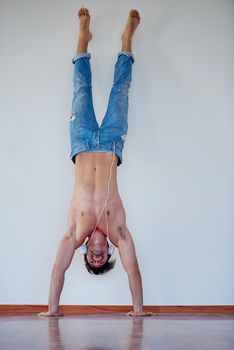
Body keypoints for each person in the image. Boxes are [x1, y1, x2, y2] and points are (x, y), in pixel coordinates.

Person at [38, 8, 153, 317]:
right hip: (112, 143)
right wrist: (138, 310)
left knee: (80, 88)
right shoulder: (118, 230)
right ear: (108, 251)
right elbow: (133, 270)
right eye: (104, 258)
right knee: (121, 92)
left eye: (94, 258)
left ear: (87, 251)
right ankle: (127, 40)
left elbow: (57, 271)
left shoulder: (75, 232)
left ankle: (83, 37)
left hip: (82, 141)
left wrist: (52, 311)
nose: (99, 254)